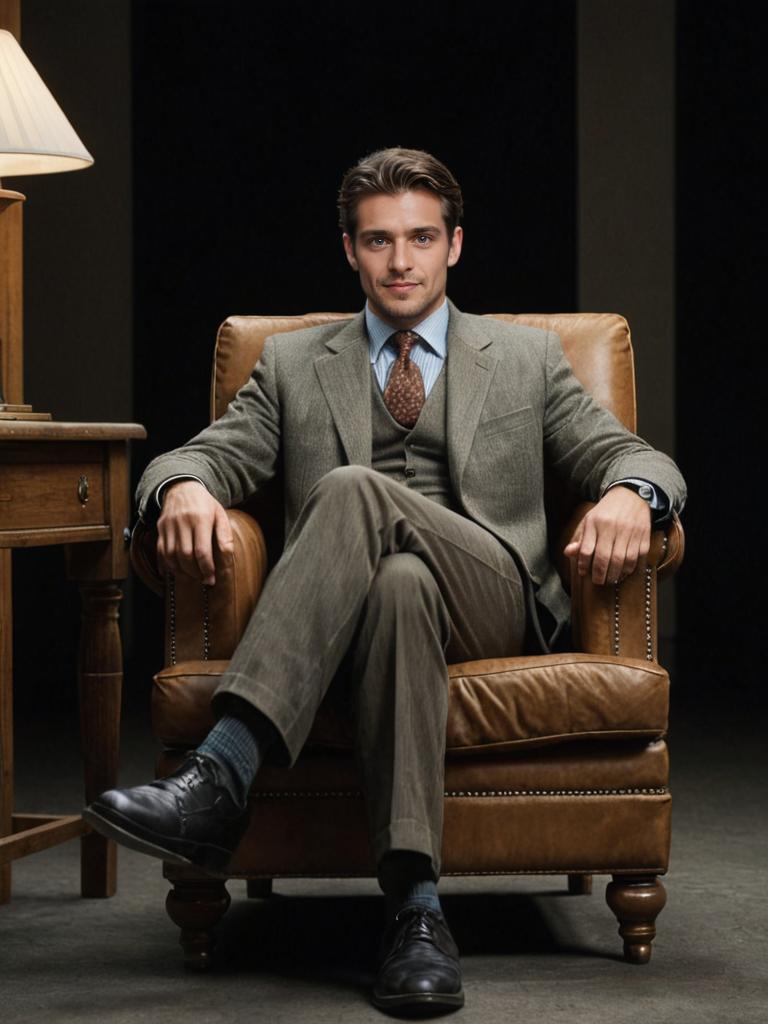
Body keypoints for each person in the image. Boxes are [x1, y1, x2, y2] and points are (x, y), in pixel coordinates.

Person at [85, 147, 686, 1015]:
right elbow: (201, 456)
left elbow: (637, 455)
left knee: (352, 490)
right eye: (378, 242)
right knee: (398, 579)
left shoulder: (527, 359)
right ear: (349, 251)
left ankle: (221, 776)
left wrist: (635, 495)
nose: (400, 261)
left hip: (490, 600)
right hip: (365, 618)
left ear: (454, 245)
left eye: (420, 238)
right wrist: (176, 486)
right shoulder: (294, 366)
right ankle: (415, 911)